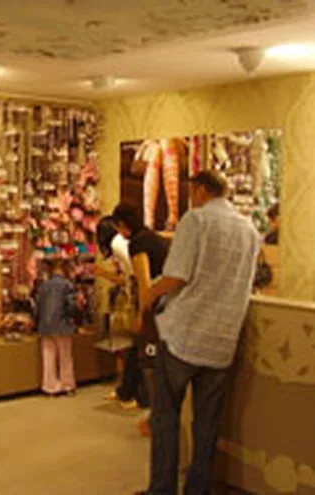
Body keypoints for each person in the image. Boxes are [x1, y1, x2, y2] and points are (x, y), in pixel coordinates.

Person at [136, 170, 260, 495]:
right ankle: (198, 489)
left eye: (191, 191)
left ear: (201, 190)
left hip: (184, 334)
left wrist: (149, 292)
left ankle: (162, 489)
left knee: (165, 418)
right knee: (207, 424)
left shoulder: (197, 220)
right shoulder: (249, 230)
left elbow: (176, 275)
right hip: (222, 341)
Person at [109, 204, 170, 414]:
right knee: (140, 348)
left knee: (145, 347)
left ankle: (143, 396)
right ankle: (128, 391)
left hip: (157, 300)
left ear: (123, 225)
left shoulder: (138, 243)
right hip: (168, 297)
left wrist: (142, 313)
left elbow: (144, 282)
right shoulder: (152, 237)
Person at [35, 258, 80, 397]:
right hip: (62, 324)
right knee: (65, 356)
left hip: (45, 326)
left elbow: (37, 307)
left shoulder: (43, 286)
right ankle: (67, 385)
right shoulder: (67, 285)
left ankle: (50, 387)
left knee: (48, 357)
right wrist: (76, 319)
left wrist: (37, 323)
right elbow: (71, 306)